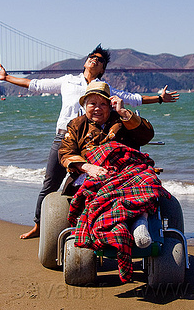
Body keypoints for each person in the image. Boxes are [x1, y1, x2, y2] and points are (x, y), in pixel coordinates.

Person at [0, 44, 179, 239]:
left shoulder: (106, 90)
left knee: (107, 179)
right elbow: (35, 84)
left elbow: (133, 98)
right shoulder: (68, 81)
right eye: (92, 56)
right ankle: (39, 225)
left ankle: (120, 221)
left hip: (98, 141)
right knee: (50, 183)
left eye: (100, 59)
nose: (94, 59)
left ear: (102, 70)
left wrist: (159, 99)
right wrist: (6, 78)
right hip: (66, 136)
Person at [59, 82, 171, 283]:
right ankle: (127, 225)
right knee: (99, 189)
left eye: (103, 103)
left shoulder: (122, 118)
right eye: (92, 103)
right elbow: (66, 153)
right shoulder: (76, 125)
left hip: (126, 168)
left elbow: (147, 135)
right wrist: (88, 167)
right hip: (94, 169)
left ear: (110, 104)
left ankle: (140, 222)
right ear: (85, 105)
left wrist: (124, 112)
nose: (97, 108)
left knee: (147, 179)